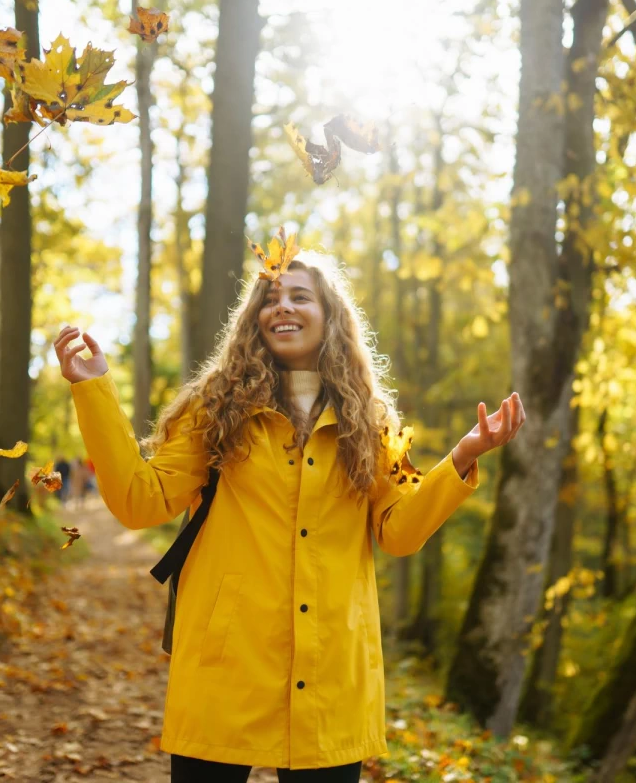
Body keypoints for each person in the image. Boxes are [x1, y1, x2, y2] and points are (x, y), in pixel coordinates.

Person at [54, 250, 524, 783]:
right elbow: (141, 500)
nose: (283, 307)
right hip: (226, 663)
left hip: (332, 672)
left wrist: (460, 459)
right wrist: (92, 389)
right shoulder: (213, 409)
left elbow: (398, 533)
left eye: (300, 296)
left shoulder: (372, 422)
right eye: (270, 299)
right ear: (253, 318)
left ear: (330, 315)